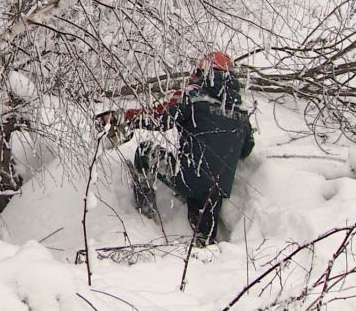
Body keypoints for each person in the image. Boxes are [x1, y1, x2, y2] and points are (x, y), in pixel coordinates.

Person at [98, 51, 254, 245]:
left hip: (188, 177)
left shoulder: (193, 96)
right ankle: (207, 253)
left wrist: (122, 116)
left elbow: (160, 118)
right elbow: (247, 150)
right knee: (205, 237)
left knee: (145, 151)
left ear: (203, 72)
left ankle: (145, 215)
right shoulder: (241, 112)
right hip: (218, 188)